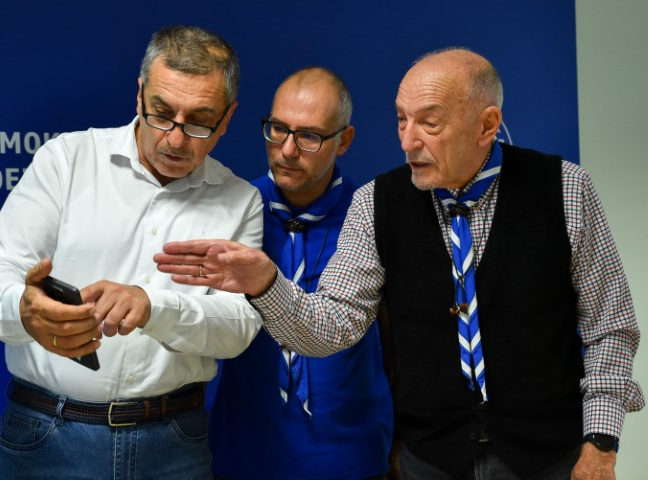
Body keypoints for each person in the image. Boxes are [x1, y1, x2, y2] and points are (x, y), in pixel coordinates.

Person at [154, 48, 645, 480]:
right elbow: (333, 325)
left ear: (487, 125)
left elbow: (611, 327)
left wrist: (601, 443)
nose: (408, 141)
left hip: (551, 458)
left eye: (429, 123)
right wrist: (266, 283)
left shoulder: (566, 188)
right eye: (400, 120)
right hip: (432, 461)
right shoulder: (376, 202)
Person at [0, 25, 264, 479]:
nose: (176, 140)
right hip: (49, 435)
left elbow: (238, 327)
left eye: (200, 121)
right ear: (139, 95)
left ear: (227, 118)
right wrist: (23, 309)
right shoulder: (67, 160)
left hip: (175, 444)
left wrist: (153, 308)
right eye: (162, 113)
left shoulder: (240, 200)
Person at [208, 66, 393, 479]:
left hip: (352, 457)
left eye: (309, 136)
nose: (287, 150)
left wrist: (403, 441)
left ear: (344, 140)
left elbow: (397, 338)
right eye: (277, 129)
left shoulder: (371, 215)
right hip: (244, 454)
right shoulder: (233, 209)